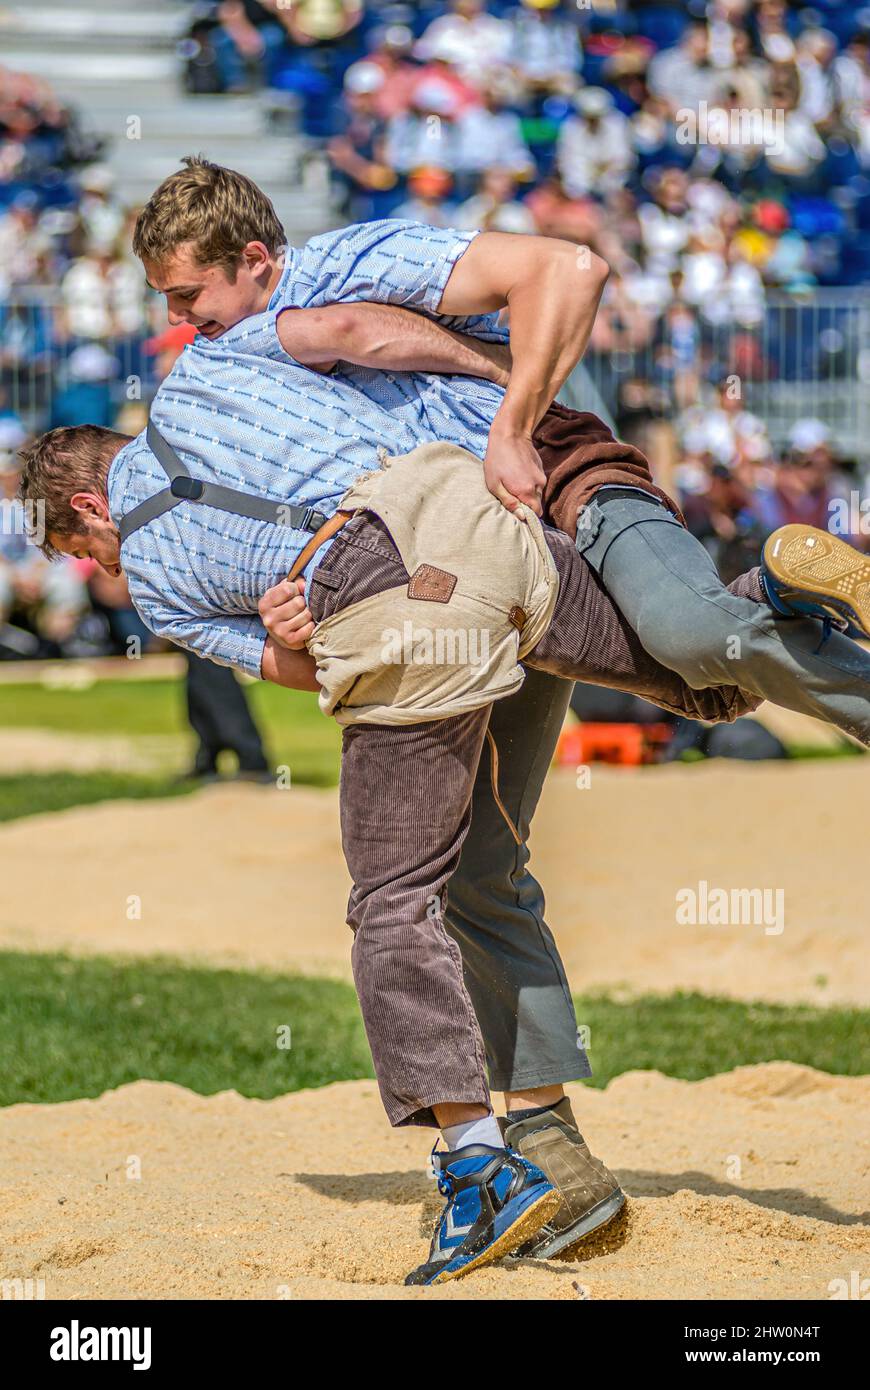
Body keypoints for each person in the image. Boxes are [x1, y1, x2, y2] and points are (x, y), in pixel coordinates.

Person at [21, 160, 870, 1280]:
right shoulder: (230, 358)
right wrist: (323, 554)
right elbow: (361, 378)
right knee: (661, 716)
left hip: (497, 511)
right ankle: (554, 1146)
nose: (175, 325)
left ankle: (483, 1162)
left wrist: (340, 566)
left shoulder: (268, 344)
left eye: (188, 298)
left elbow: (302, 663)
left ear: (88, 509)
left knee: (408, 886)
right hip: (489, 532)